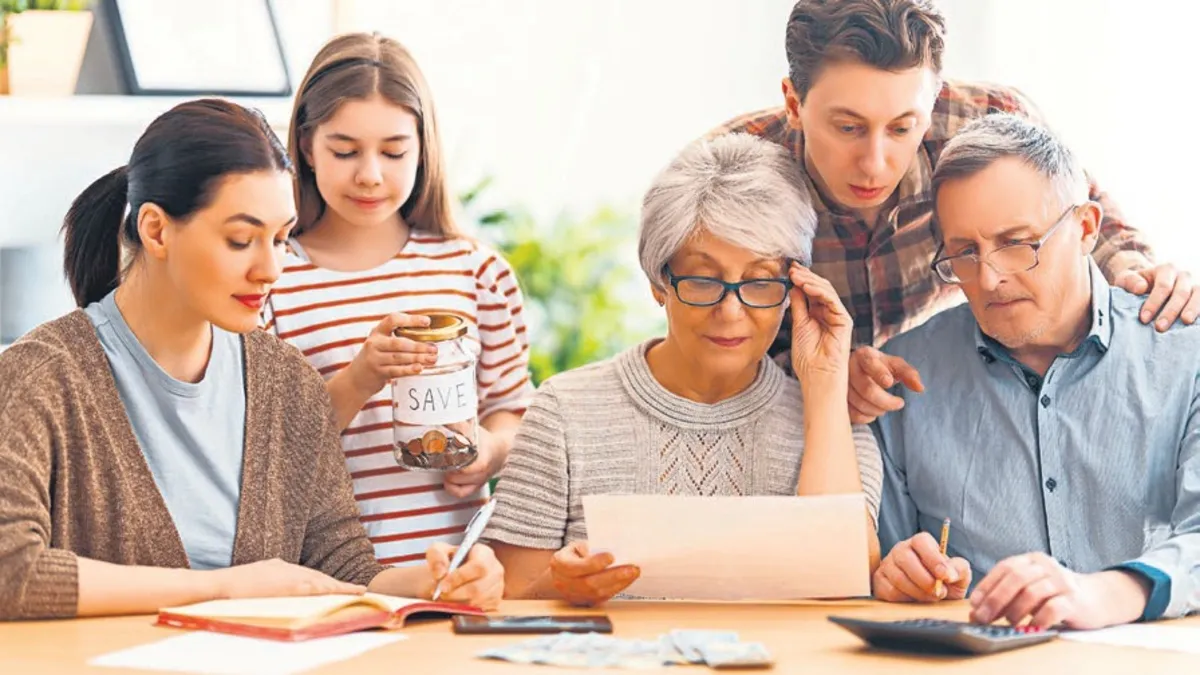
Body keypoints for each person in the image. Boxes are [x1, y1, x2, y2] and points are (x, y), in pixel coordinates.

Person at [0, 99, 503, 621]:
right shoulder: (41, 376)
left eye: (282, 239)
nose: (270, 268)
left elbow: (341, 568)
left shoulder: (287, 381)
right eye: (241, 240)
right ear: (155, 231)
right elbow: (11, 571)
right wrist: (222, 588)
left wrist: (431, 581)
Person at [712, 0, 1197, 422]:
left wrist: (1141, 274)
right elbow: (709, 339)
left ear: (932, 99)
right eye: (848, 128)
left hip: (945, 399)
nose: (875, 165)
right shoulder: (731, 172)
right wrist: (814, 375)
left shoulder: (990, 120)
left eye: (903, 128)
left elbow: (1080, 218)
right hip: (796, 415)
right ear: (794, 104)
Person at [483, 133, 883, 606]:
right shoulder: (564, 411)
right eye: (703, 279)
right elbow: (506, 602)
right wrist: (561, 588)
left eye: (758, 282)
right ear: (659, 282)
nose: (731, 312)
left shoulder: (838, 427)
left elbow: (841, 583)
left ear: (794, 288)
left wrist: (824, 384)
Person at [871, 114, 1200, 629]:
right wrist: (894, 573)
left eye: (1016, 243)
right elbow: (879, 564)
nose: (990, 278)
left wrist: (1110, 593)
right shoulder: (902, 379)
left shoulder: (1186, 354)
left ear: (1086, 228)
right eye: (964, 252)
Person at [262, 33, 534, 567]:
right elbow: (271, 448)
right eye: (344, 151)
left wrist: (489, 449)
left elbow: (514, 410)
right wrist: (361, 375)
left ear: (423, 148)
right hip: (326, 577)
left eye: (393, 151)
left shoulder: (476, 272)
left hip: (459, 573)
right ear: (307, 149)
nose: (370, 174)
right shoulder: (273, 279)